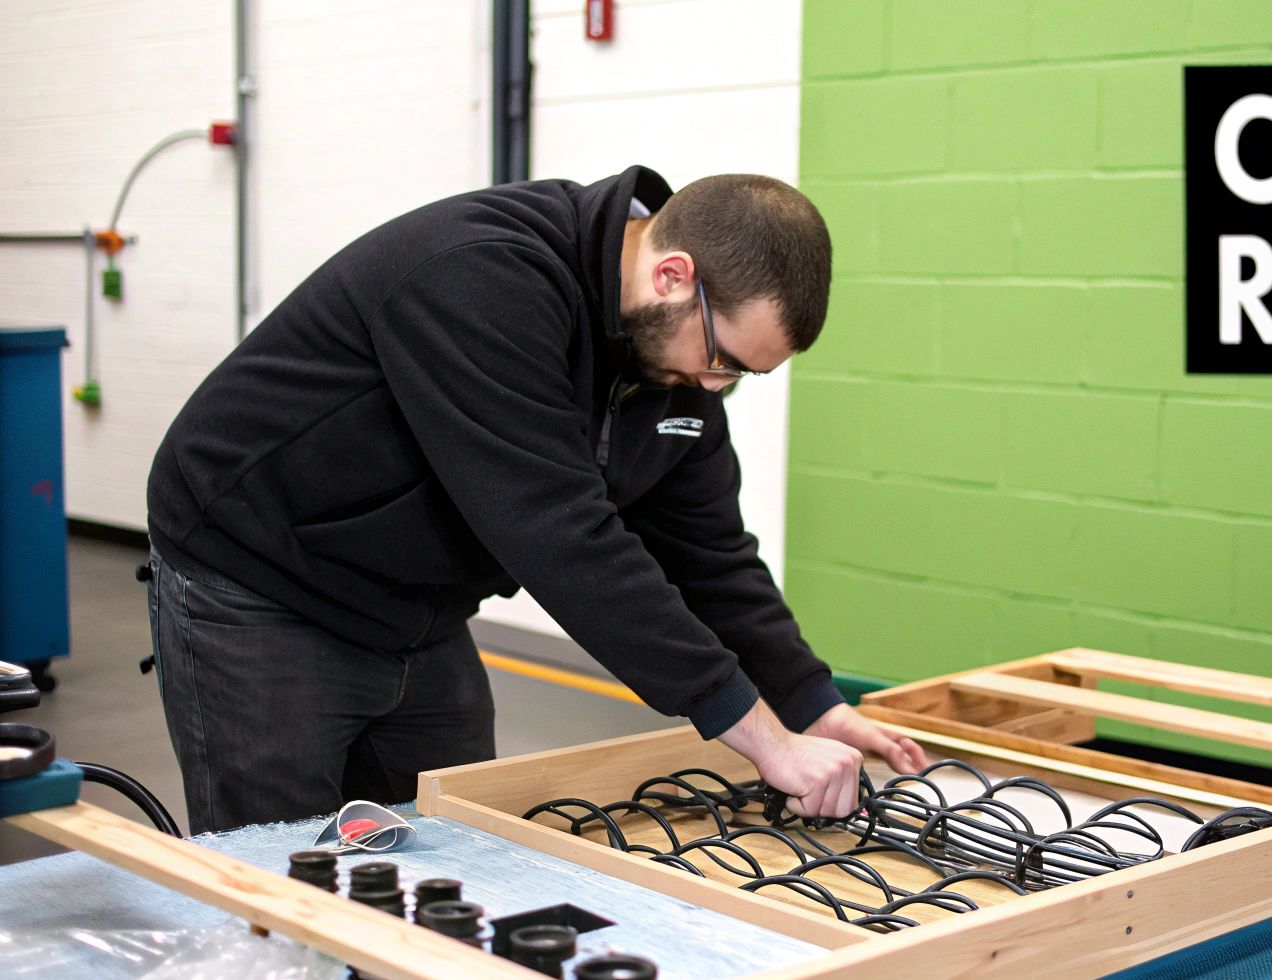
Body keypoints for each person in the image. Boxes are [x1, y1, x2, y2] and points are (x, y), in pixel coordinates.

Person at [144, 166, 927, 833]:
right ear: (673, 275)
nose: (717, 387)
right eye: (723, 360)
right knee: (284, 876)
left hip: (417, 605)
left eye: (742, 376)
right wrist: (761, 737)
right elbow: (558, 533)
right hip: (259, 580)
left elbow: (711, 552)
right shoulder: (482, 275)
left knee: (450, 846)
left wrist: (809, 701)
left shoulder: (673, 368)